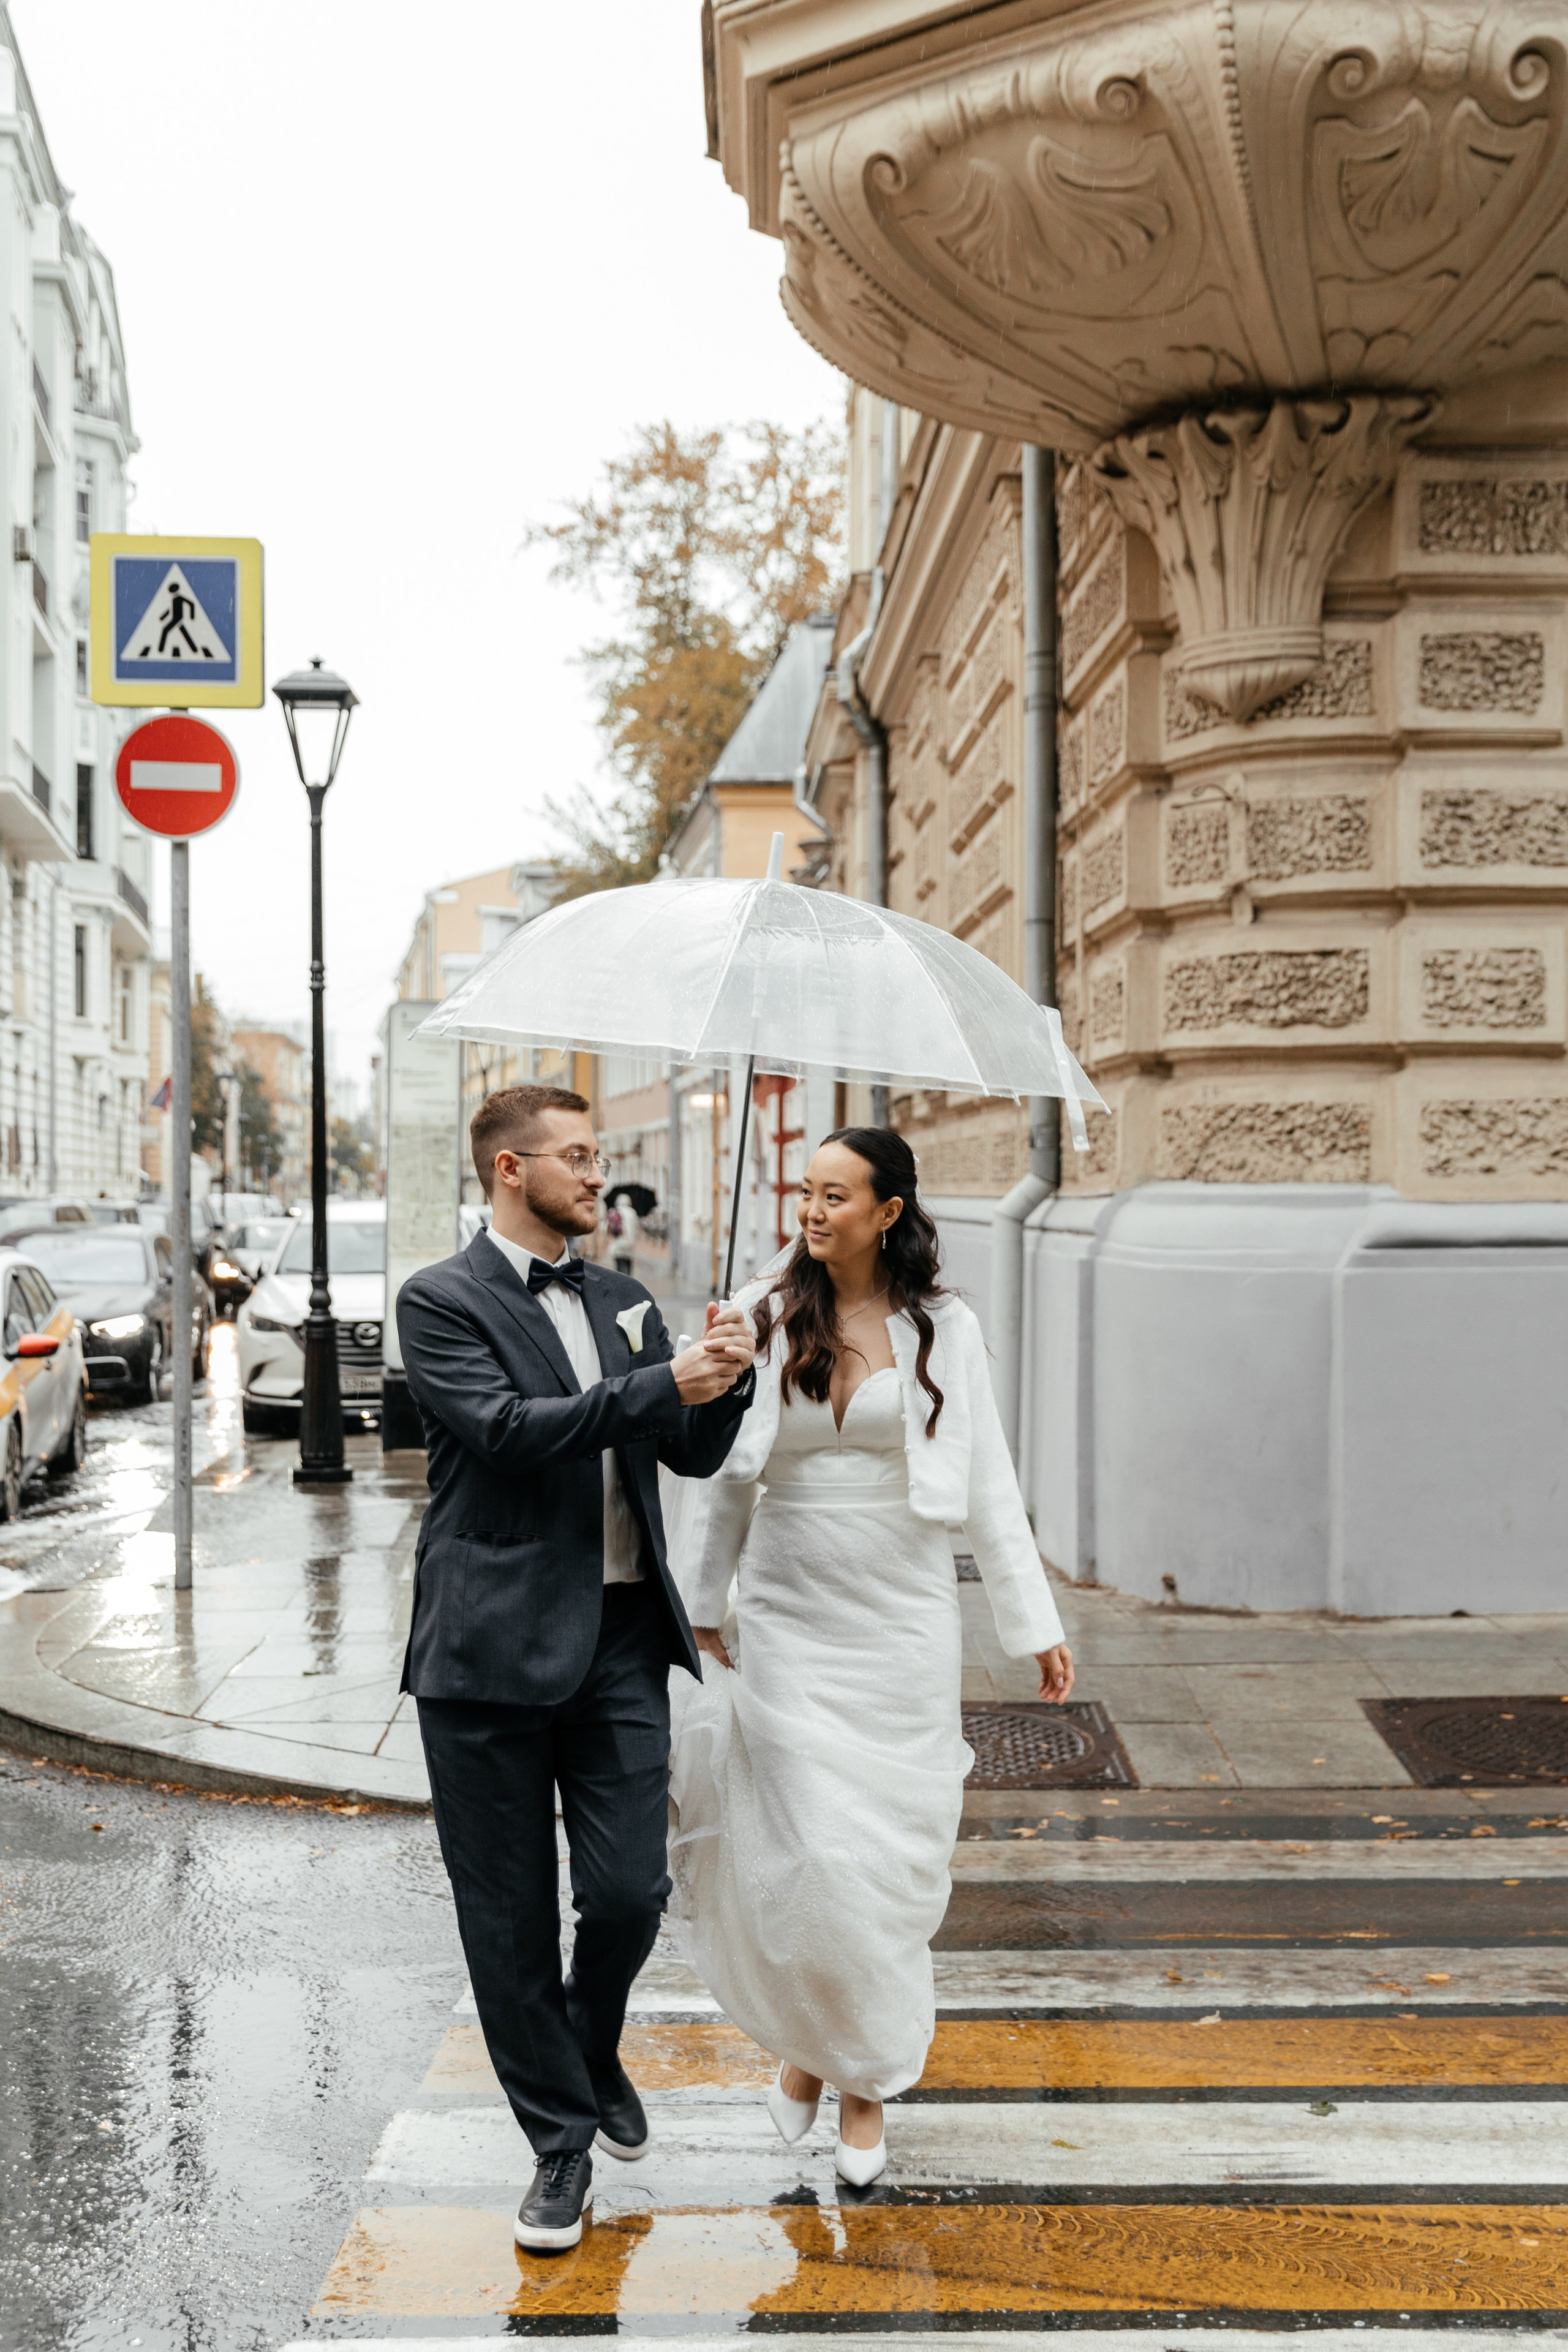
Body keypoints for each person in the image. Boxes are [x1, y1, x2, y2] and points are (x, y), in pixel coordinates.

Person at [666, 1126, 1074, 2186]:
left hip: (899, 1615)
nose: (814, 1210)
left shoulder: (945, 1326)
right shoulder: (761, 1312)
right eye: (808, 1190)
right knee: (810, 1855)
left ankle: (848, 2075)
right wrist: (702, 1606)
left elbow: (988, 1481)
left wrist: (1030, 1623)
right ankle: (834, 2060)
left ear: (888, 1211)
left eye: (837, 1194)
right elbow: (727, 1482)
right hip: (792, 1611)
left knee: (880, 1862)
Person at [396, 1084, 756, 2255]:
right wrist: (656, 1386)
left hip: (616, 1639)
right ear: (510, 1169)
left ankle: (589, 2044)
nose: (597, 1176)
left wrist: (726, 1374)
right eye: (577, 1157)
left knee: (627, 1891)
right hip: (487, 1647)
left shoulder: (626, 1300)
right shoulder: (438, 1298)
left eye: (597, 1156)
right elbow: (503, 1432)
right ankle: (558, 2141)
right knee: (505, 1916)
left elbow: (687, 1453)